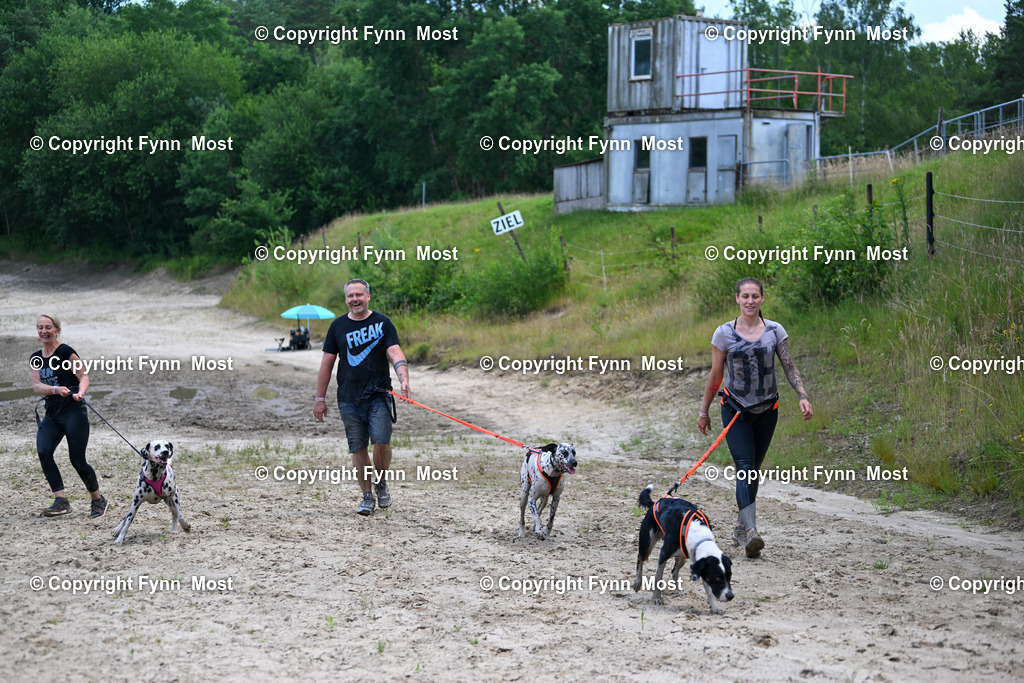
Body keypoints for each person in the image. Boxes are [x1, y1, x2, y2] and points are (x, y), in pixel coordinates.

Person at [697, 278, 812, 558]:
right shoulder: (724, 333)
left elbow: (788, 365)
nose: (750, 301)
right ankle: (751, 533)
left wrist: (802, 394)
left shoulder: (775, 331)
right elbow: (715, 375)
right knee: (745, 466)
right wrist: (704, 410)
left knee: (753, 469)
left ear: (762, 299)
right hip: (735, 409)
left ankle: (740, 525)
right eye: (745, 296)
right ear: (736, 298)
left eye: (755, 296)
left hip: (767, 410)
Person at [314, 279, 411, 515]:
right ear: (346, 299)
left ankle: (382, 483)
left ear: (368, 296)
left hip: (379, 394)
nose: (354, 299)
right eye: (350, 296)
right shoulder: (337, 327)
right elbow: (327, 364)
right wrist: (320, 398)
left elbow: (394, 351)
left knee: (381, 441)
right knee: (358, 448)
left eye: (358, 294)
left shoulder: (382, 323)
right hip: (348, 398)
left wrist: (403, 378)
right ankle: (367, 496)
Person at [29, 314, 108, 518]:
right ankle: (61, 501)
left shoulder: (65, 352)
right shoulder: (36, 358)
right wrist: (55, 389)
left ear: (57, 330)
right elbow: (37, 386)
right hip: (53, 413)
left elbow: (83, 376)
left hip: (73, 410)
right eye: (40, 328)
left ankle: (98, 500)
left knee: (77, 459)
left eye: (48, 327)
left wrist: (81, 392)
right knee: (44, 451)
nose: (44, 331)